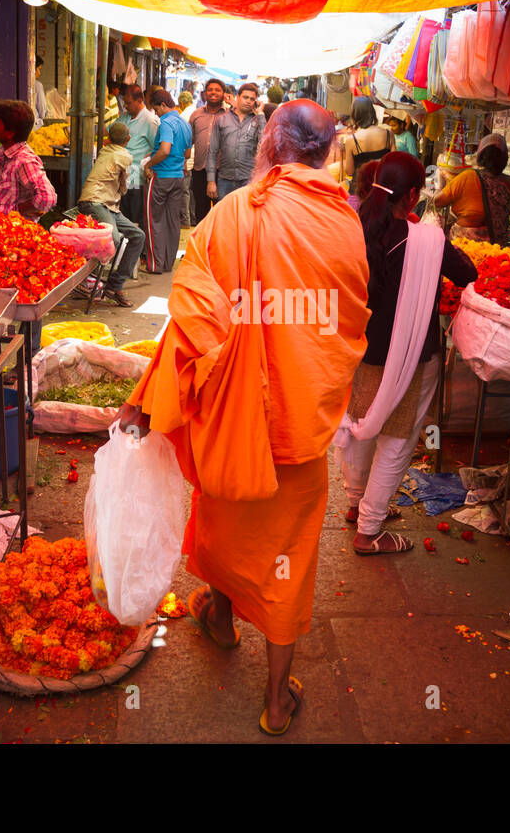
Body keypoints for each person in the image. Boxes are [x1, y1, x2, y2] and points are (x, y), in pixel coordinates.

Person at [118, 99, 370, 736]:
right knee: (286, 567)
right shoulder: (345, 221)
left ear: (271, 144)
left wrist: (149, 397)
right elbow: (345, 325)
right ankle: (276, 700)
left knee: (229, 528)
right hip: (301, 433)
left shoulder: (233, 214)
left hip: (237, 429)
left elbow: (193, 324)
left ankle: (222, 618)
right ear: (327, 150)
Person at [339, 152, 477, 554]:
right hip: (412, 358)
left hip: (362, 352)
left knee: (361, 424)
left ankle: (355, 503)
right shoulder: (426, 240)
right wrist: (430, 236)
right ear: (413, 195)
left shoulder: (353, 228)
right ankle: (369, 529)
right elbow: (468, 273)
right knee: (397, 439)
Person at [76, 121, 145, 306]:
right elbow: (125, 187)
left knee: (137, 236)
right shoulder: (125, 155)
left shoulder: (104, 150)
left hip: (109, 206)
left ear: (107, 139)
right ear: (128, 139)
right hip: (96, 202)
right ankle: (84, 277)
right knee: (112, 238)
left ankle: (114, 285)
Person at [0, 100, 56, 223]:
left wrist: (16, 209)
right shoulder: (4, 151)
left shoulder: (24, 161)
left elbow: (47, 198)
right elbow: (11, 188)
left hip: (15, 233)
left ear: (9, 133)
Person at [433, 134, 510, 243]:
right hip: (497, 245)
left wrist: (440, 186)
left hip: (466, 243)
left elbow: (438, 202)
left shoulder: (468, 176)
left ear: (480, 156)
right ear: (505, 159)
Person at [143, 89, 192, 273]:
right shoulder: (185, 124)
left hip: (161, 177)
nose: (156, 114)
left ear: (163, 105)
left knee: (153, 219)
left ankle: (155, 264)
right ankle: (167, 263)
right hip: (178, 178)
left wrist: (149, 164)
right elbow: (187, 153)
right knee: (172, 221)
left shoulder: (166, 123)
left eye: (156, 110)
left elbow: (164, 150)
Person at [206, 82, 264, 204]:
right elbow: (212, 152)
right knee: (225, 218)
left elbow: (265, 143)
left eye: (252, 99)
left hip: (248, 180)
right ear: (238, 97)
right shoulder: (222, 119)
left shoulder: (258, 120)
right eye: (245, 97)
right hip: (224, 179)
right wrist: (211, 181)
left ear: (256, 102)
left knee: (245, 218)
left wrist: (261, 115)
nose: (248, 101)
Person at [118, 85, 159, 242]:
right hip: (122, 175)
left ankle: (138, 251)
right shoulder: (125, 117)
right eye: (124, 103)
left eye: (128, 103)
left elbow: (157, 148)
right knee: (124, 214)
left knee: (136, 216)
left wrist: (147, 164)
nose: (125, 106)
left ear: (139, 100)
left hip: (137, 176)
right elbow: (110, 131)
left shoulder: (150, 121)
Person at [187, 78, 228, 225]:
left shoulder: (230, 115)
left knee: (223, 214)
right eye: (210, 90)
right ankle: (201, 246)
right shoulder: (196, 115)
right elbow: (188, 141)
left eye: (218, 90)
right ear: (205, 93)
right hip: (199, 170)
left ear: (224, 93)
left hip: (223, 172)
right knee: (200, 214)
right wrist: (184, 163)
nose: (213, 93)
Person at [341, 96, 394, 195]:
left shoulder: (351, 140)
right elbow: (394, 164)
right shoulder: (388, 134)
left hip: (360, 190)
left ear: (355, 114)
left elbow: (350, 171)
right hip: (381, 189)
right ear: (372, 112)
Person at [32, 55, 48, 128]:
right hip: (35, 125)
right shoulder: (37, 85)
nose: (39, 73)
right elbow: (42, 109)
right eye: (38, 68)